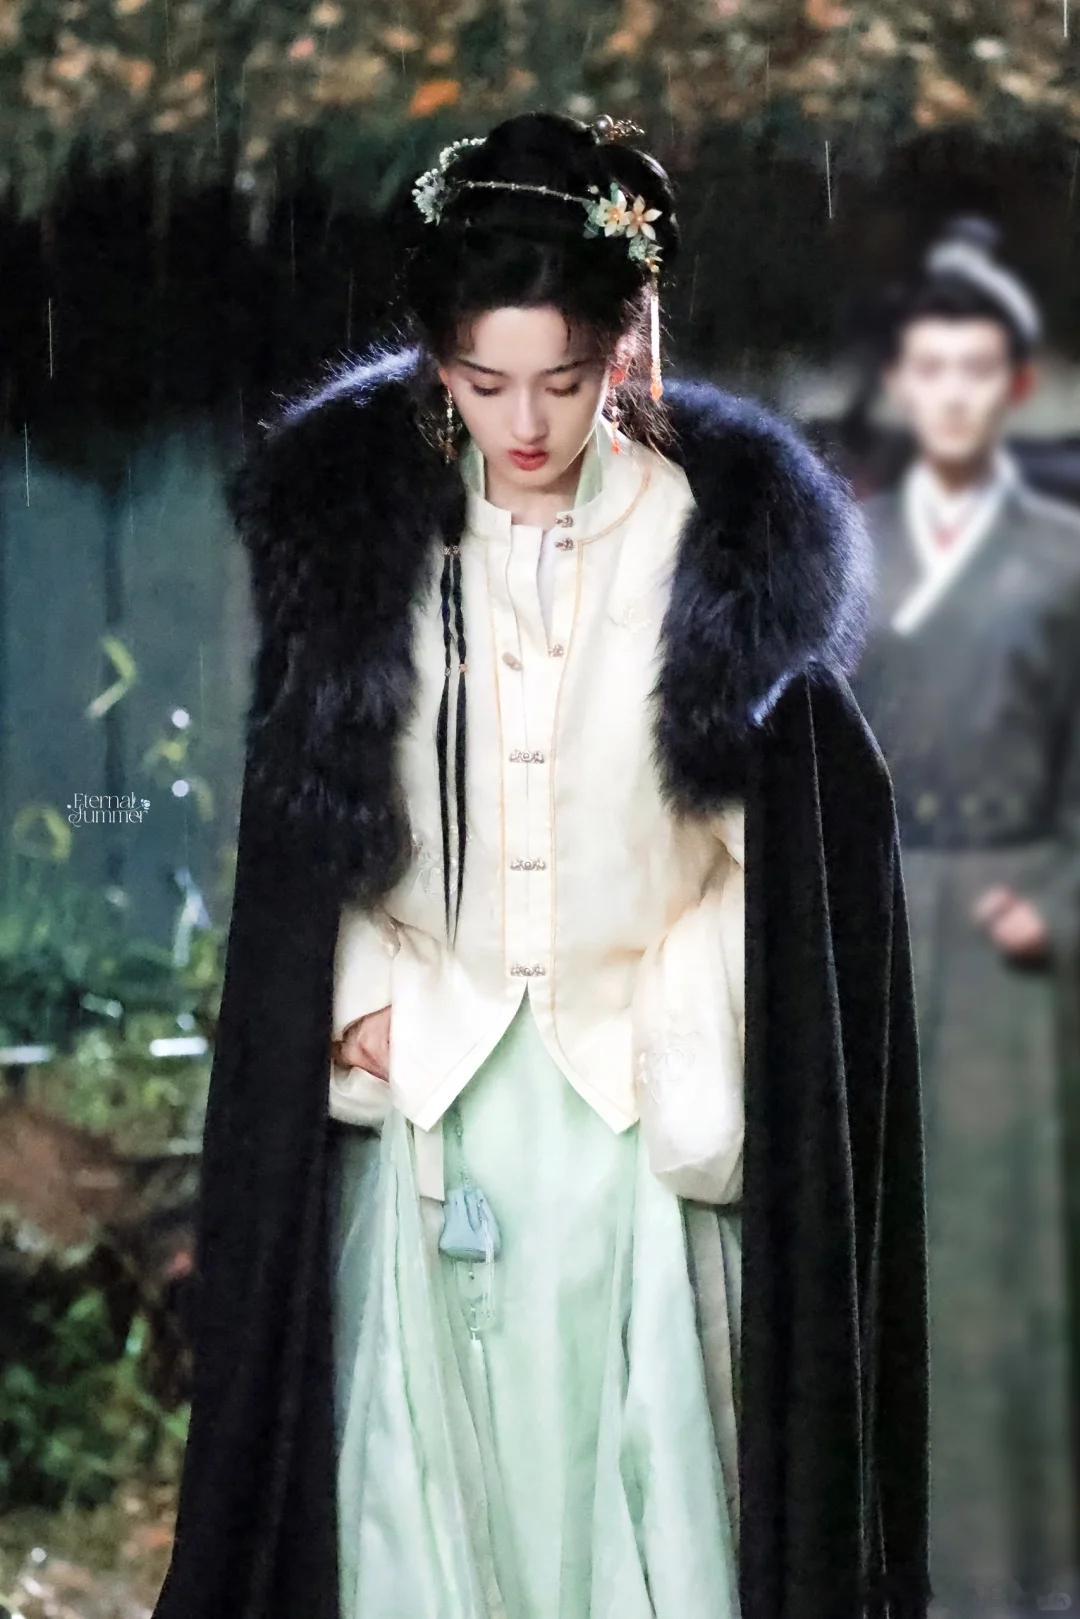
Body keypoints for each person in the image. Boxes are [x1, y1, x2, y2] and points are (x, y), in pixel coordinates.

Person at [151, 112, 931, 1619]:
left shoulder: (712, 566)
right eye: (483, 380)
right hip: (431, 1101)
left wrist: (666, 1027)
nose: (525, 424)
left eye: (563, 383)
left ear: (620, 351)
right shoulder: (371, 566)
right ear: (438, 365)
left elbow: (789, 882)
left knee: (634, 1515)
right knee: (419, 1519)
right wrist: (358, 1003)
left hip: (634, 1121)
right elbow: (310, 847)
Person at [852, 215, 1080, 1617]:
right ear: (899, 382)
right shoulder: (849, 553)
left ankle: (1031, 1578)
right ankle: (895, 1571)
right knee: (888, 1258)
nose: (949, 394)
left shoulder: (1066, 557)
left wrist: (1052, 900)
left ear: (1015, 385)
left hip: (1014, 956)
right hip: (874, 939)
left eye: (975, 370)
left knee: (1012, 1269)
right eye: (928, 368)